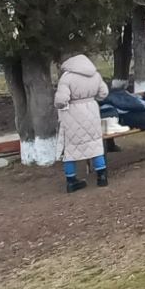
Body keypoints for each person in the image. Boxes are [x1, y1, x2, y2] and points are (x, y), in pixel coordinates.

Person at [55, 52, 110, 193]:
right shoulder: (95, 75)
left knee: (70, 148)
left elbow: (61, 100)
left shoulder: (66, 78)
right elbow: (103, 93)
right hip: (91, 110)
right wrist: (91, 98)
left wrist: (62, 105)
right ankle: (102, 176)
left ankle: (71, 181)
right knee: (95, 143)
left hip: (72, 113)